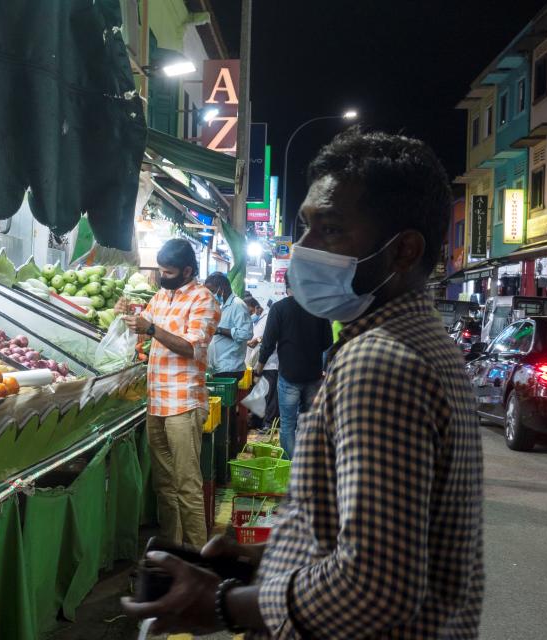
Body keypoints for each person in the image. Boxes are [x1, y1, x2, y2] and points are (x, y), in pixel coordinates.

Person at [122, 129, 484, 638]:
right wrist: (262, 560)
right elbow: (371, 540)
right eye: (305, 226)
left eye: (331, 229)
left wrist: (224, 602)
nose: (304, 248)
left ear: (403, 251)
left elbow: (375, 585)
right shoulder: (424, 343)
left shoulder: (380, 361)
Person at [114, 239, 220, 548]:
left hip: (183, 404)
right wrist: (129, 313)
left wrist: (151, 329)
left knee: (187, 483)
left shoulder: (204, 300)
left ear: (187, 270)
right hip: (156, 402)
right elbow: (145, 323)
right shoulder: (160, 297)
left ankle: (199, 557)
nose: (162, 275)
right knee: (164, 484)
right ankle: (172, 553)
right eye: (160, 270)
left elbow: (191, 347)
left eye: (168, 271)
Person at [254, 273, 332, 458]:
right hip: (313, 376)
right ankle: (307, 464)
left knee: (288, 424)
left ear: (285, 285)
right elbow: (327, 341)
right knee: (307, 422)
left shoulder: (279, 308)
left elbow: (268, 342)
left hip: (289, 375)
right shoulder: (318, 309)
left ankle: (291, 467)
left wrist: (259, 366)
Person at [203, 272, 253, 383]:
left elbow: (246, 333)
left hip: (231, 369)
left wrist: (220, 330)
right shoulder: (221, 306)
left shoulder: (238, 305)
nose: (209, 295)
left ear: (222, 288)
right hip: (218, 368)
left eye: (211, 291)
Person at [245, 297, 279, 432]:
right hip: (258, 363)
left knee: (269, 395)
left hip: (270, 363)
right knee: (259, 394)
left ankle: (269, 424)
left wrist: (258, 339)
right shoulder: (258, 319)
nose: (250, 314)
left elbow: (271, 336)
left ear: (257, 307)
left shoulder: (268, 317)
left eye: (250, 311)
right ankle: (258, 422)